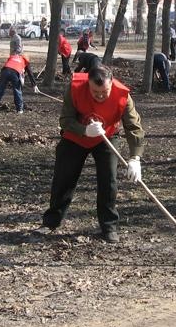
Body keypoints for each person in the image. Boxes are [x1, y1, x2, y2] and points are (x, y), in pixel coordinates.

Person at [37, 65, 145, 243]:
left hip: (107, 137)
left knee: (109, 181)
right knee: (64, 178)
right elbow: (65, 120)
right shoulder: (75, 88)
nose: (100, 95)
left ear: (111, 84)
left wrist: (135, 157)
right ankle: (51, 222)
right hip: (75, 138)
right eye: (96, 92)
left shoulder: (123, 96)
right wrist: (84, 130)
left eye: (105, 91)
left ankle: (109, 226)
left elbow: (134, 127)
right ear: (88, 84)